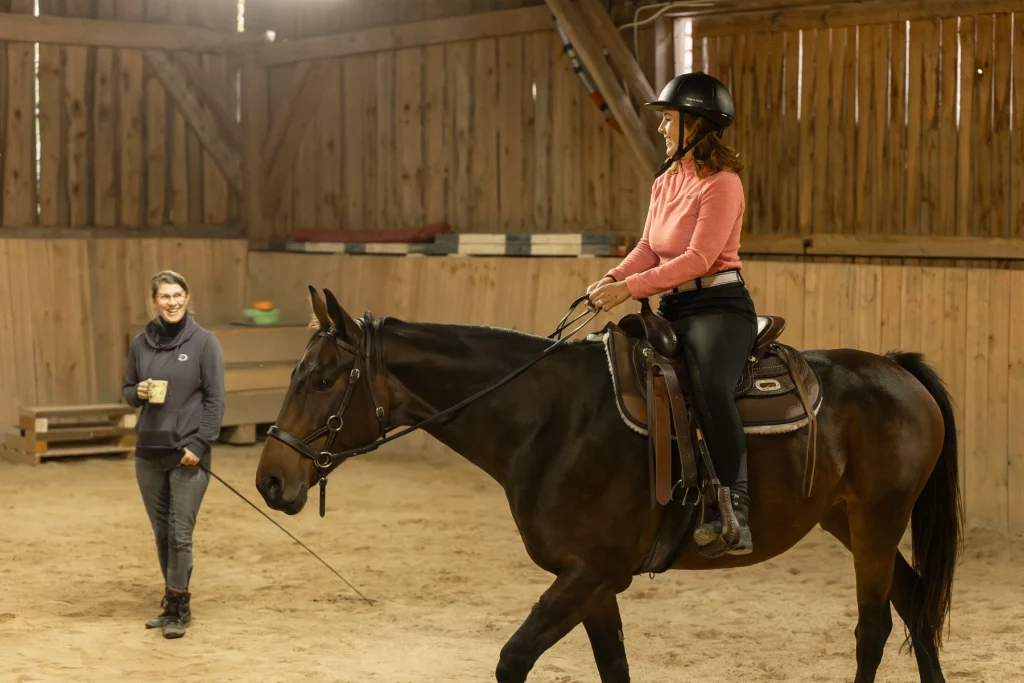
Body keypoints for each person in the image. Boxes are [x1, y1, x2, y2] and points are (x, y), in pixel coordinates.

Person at [587, 71, 757, 555]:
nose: (661, 128)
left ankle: (735, 502)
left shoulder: (722, 184)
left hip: (718, 307)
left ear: (696, 124)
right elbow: (648, 247)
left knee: (709, 384)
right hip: (674, 304)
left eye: (668, 119)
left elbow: (699, 259)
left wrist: (629, 289)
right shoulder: (666, 180)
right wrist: (613, 278)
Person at [122, 270, 225, 638]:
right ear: (154, 301)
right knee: (162, 534)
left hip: (187, 454)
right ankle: (173, 599)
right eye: (164, 296)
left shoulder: (205, 343)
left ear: (187, 296)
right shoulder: (140, 343)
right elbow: (127, 390)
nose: (172, 302)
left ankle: (177, 606)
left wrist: (200, 444)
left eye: (178, 295)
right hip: (148, 452)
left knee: (180, 533)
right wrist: (138, 392)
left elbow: (215, 400)